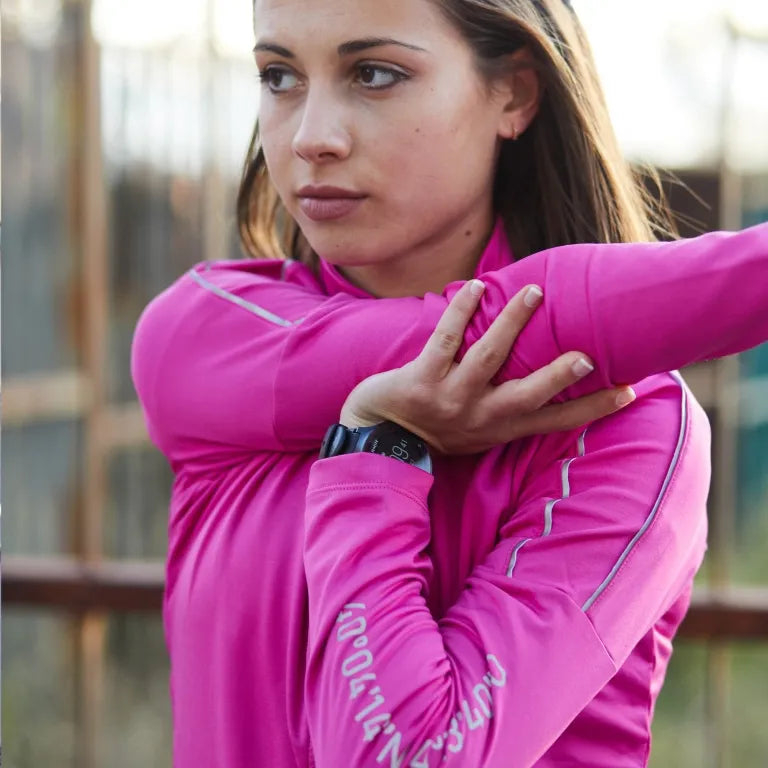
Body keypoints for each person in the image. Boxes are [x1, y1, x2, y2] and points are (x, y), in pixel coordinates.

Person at [131, 1, 768, 766]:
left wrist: (374, 452)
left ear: (516, 95)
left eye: (374, 74)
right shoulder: (209, 335)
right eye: (280, 77)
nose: (311, 138)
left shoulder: (630, 423)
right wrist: (377, 437)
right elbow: (521, 324)